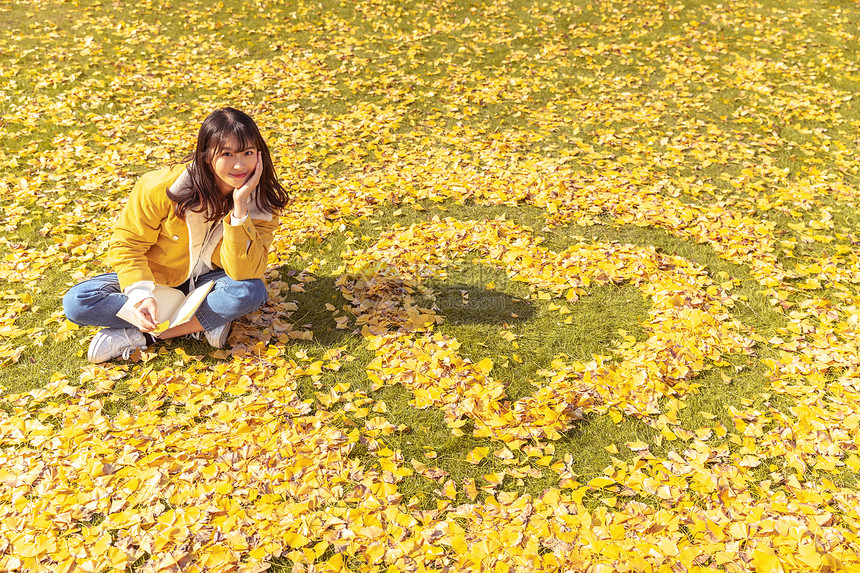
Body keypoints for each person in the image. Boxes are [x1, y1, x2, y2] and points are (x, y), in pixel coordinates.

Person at [63, 107, 289, 362]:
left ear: (259, 155)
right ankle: (205, 322)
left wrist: (240, 209)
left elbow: (245, 271)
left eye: (247, 153)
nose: (239, 164)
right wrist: (140, 296)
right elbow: (127, 245)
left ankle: (146, 336)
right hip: (157, 279)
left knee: (250, 291)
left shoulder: (262, 204)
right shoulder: (160, 187)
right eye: (227, 154)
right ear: (206, 157)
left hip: (212, 283)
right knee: (78, 302)